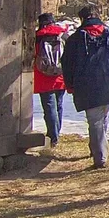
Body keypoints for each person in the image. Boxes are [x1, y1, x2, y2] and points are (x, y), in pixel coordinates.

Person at [61, 3, 109, 169]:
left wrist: (69, 84)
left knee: (95, 121)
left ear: (82, 18)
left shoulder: (75, 39)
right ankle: (96, 149)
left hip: (86, 85)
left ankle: (100, 157)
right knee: (101, 117)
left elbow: (66, 64)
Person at [32, 12, 68, 148]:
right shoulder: (63, 35)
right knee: (58, 105)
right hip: (60, 75)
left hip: (43, 77)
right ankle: (56, 134)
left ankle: (53, 137)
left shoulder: (36, 38)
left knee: (49, 108)